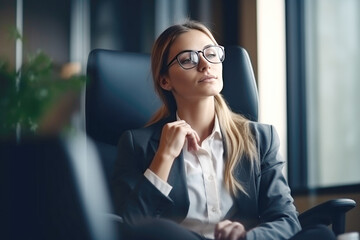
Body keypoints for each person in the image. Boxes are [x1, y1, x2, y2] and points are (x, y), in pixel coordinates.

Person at [112, 20, 336, 240]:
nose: (204, 64)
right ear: (165, 81)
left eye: (211, 53)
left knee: (320, 234)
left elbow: (286, 219)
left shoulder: (260, 139)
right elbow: (132, 226)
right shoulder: (137, 144)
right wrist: (165, 155)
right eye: (188, 59)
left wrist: (247, 236)